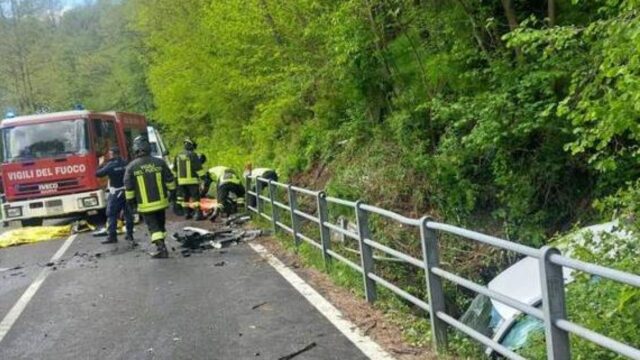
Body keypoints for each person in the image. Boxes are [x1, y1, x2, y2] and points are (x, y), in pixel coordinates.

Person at [124, 136, 176, 258]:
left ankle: (161, 249)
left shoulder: (131, 167)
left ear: (135, 150)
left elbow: (129, 188)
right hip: (162, 203)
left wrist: (131, 204)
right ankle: (162, 244)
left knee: (153, 227)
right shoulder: (160, 162)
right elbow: (170, 181)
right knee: (160, 225)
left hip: (145, 206)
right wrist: (173, 195)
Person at [96, 146, 135, 245]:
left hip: (115, 193)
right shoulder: (126, 163)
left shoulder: (110, 165)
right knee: (128, 214)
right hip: (127, 191)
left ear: (113, 154)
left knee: (111, 214)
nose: (109, 155)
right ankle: (129, 234)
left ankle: (112, 236)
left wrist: (100, 164)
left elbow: (98, 174)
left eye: (110, 153)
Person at [174, 137, 206, 220]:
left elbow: (174, 169)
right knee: (196, 198)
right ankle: (198, 214)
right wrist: (204, 178)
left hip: (181, 182)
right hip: (192, 181)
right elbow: (198, 168)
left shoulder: (178, 155)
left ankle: (186, 214)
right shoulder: (192, 154)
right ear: (191, 146)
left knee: (185, 198)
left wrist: (176, 180)